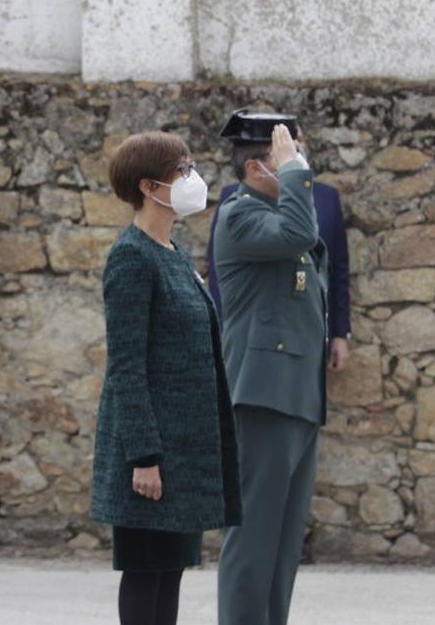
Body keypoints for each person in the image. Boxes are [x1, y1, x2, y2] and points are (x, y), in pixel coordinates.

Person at [91, 132, 241, 625]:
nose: (191, 179)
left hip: (183, 451)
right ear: (149, 185)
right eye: (181, 170)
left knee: (171, 568)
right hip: (152, 453)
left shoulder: (172, 251)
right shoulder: (132, 257)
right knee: (145, 571)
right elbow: (127, 365)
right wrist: (144, 456)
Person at [211, 111, 328, 625]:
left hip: (297, 397)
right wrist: (296, 173)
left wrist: (294, 174)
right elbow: (300, 232)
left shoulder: (277, 214)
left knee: (282, 550)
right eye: (291, 154)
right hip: (262, 398)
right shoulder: (240, 214)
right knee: (253, 541)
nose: (303, 164)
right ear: (260, 168)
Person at [207, 120, 351, 371]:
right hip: (263, 342)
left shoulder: (327, 197)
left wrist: (339, 331)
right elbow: (219, 273)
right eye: (285, 146)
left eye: (298, 145)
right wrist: (223, 327)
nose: (295, 154)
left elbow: (337, 268)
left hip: (308, 336)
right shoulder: (239, 203)